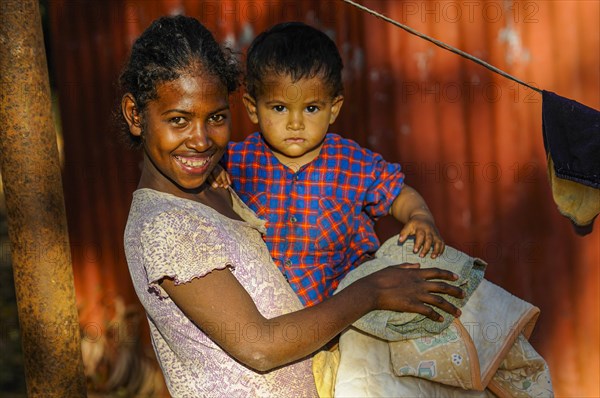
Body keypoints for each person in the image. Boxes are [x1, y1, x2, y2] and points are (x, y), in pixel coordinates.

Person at [120, 15, 465, 397]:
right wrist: (373, 291)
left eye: (216, 117)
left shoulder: (217, 182)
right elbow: (259, 346)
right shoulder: (166, 225)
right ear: (136, 115)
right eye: (178, 120)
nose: (200, 140)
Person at [224, 22, 445, 307]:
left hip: (348, 311)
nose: (295, 123)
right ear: (253, 108)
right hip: (268, 315)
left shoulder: (352, 162)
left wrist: (420, 216)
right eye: (279, 108)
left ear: (334, 108)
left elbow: (397, 193)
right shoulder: (236, 161)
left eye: (311, 108)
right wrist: (216, 177)